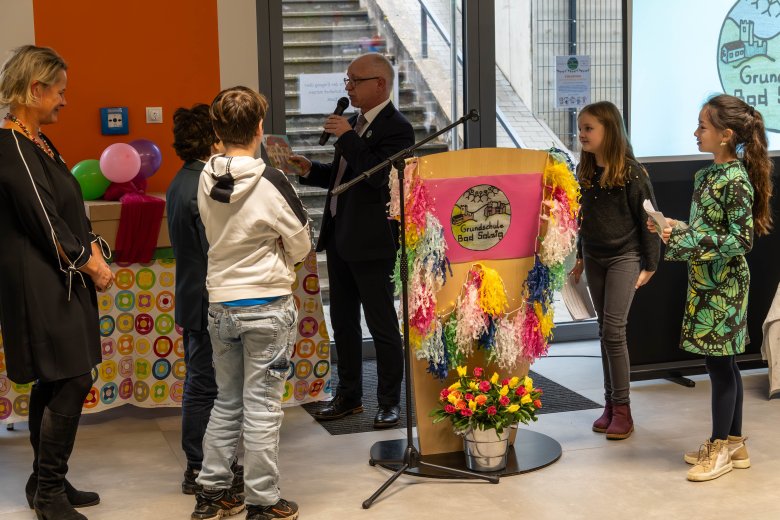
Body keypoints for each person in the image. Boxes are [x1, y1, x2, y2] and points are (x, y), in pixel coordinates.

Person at [0, 45, 113, 520]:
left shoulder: (38, 141)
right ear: (35, 89)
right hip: (40, 283)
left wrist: (93, 249)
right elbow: (45, 219)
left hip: (58, 279)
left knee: (59, 378)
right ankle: (48, 492)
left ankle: (46, 481)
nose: (65, 101)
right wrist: (93, 264)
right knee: (70, 377)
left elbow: (65, 208)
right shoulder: (11, 146)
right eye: (60, 92)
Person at [192, 86, 310, 520]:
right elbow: (301, 242)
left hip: (221, 304)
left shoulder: (205, 176)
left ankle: (212, 495)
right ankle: (262, 501)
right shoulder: (268, 180)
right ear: (260, 128)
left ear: (217, 130)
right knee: (262, 407)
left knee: (226, 401)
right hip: (266, 305)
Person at [649, 94, 773, 482]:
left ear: (726, 135)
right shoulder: (707, 176)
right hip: (705, 283)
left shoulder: (736, 180)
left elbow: (742, 241)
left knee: (719, 365)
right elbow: (707, 232)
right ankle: (734, 443)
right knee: (723, 362)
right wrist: (672, 226)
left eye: (703, 126)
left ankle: (719, 448)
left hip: (725, 287)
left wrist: (685, 242)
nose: (695, 132)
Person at [289, 52, 414, 428]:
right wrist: (312, 170)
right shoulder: (356, 125)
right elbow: (347, 176)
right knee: (343, 323)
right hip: (342, 238)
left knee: (382, 326)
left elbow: (376, 178)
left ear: (380, 84)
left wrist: (346, 136)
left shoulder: (398, 128)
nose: (348, 88)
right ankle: (349, 396)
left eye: (354, 81)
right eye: (347, 81)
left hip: (374, 243)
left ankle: (390, 401)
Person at [168, 104, 247, 496]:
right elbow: (216, 246)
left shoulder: (181, 179)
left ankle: (203, 464)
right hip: (207, 298)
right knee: (205, 387)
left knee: (204, 384)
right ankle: (199, 467)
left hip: (191, 293)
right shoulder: (205, 184)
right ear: (213, 139)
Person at [570, 101, 660, 440]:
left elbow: (649, 219)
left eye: (589, 128)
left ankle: (623, 409)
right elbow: (584, 219)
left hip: (625, 256)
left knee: (613, 331)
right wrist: (580, 255)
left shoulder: (633, 173)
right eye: (580, 128)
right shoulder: (587, 171)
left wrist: (650, 263)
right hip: (595, 256)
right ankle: (610, 405)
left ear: (610, 130)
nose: (582, 134)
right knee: (603, 332)